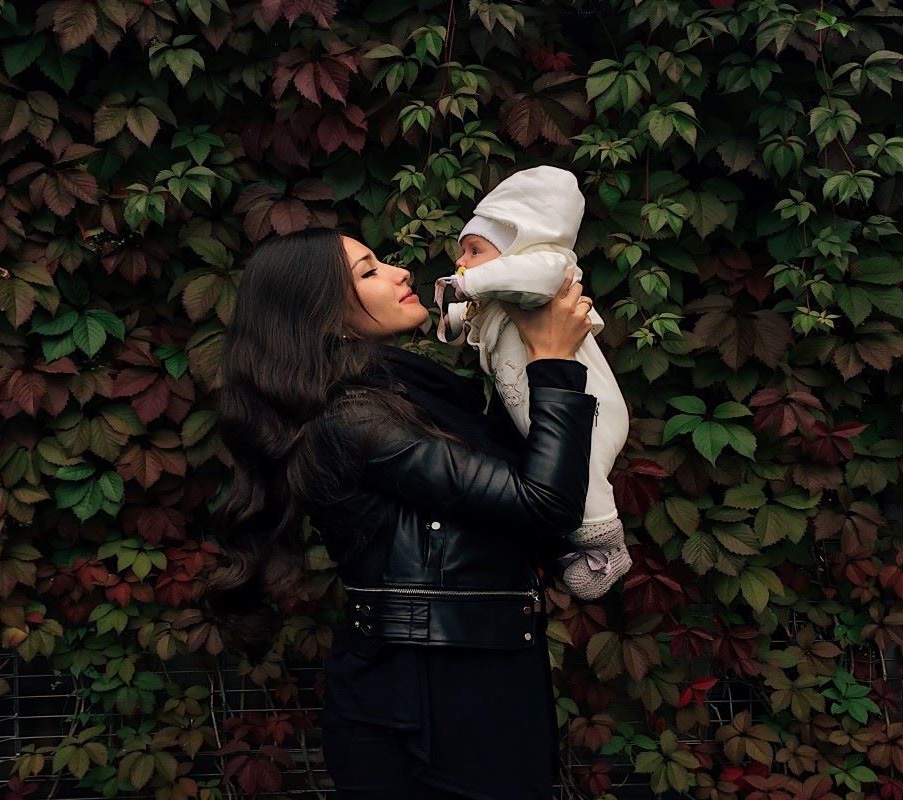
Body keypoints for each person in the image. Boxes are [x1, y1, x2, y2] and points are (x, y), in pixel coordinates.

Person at [204, 228, 597, 799]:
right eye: (368, 272)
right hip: (428, 710)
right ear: (321, 314)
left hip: (478, 689)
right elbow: (546, 503)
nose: (400, 272)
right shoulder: (353, 421)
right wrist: (554, 361)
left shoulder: (411, 396)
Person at [434, 165, 632, 600]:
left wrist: (469, 283)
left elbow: (533, 276)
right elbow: (477, 315)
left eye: (474, 250)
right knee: (557, 474)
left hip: (588, 406)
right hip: (540, 404)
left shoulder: (547, 270)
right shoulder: (503, 296)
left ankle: (605, 547)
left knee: (585, 474)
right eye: (462, 253)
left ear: (519, 247)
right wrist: (455, 315)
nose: (462, 262)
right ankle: (570, 545)